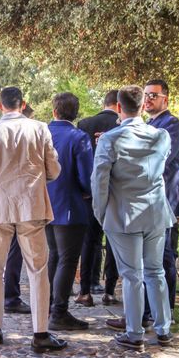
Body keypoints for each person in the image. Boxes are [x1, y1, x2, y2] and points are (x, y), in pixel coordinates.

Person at [0, 86, 67, 353]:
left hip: (0, 206)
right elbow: (54, 169)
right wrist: (35, 183)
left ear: (0, 105)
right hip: (31, 206)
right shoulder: (39, 128)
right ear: (23, 104)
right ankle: (40, 332)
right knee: (37, 270)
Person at [92, 85, 174, 351]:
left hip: (124, 214)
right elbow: (160, 169)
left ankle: (135, 333)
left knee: (132, 275)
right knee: (155, 272)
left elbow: (100, 180)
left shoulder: (110, 139)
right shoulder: (161, 136)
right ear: (141, 106)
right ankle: (163, 329)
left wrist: (100, 212)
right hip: (155, 213)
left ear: (118, 107)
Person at [46, 92, 93, 331]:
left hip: (44, 203)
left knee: (53, 256)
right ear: (76, 113)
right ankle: (59, 312)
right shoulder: (78, 137)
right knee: (67, 259)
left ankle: (50, 306)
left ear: (54, 111)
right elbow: (86, 176)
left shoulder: (41, 133)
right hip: (70, 205)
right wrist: (88, 191)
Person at [143, 79, 179, 320]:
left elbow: (160, 159)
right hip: (149, 200)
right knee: (149, 259)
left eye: (153, 95)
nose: (148, 99)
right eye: (146, 95)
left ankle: (164, 311)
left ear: (165, 99)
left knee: (164, 256)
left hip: (165, 200)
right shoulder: (149, 124)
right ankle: (147, 311)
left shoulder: (171, 125)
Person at [76, 89, 121, 306]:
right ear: (119, 105)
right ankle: (109, 290)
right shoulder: (121, 127)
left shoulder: (85, 124)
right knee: (113, 241)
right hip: (116, 192)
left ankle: (86, 289)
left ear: (105, 103)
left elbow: (81, 159)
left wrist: (83, 187)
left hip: (90, 192)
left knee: (89, 240)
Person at [3, 103, 35, 314]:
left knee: (11, 252)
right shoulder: (33, 132)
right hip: (25, 201)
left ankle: (9, 295)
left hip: (4, 202)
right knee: (18, 253)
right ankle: (11, 297)